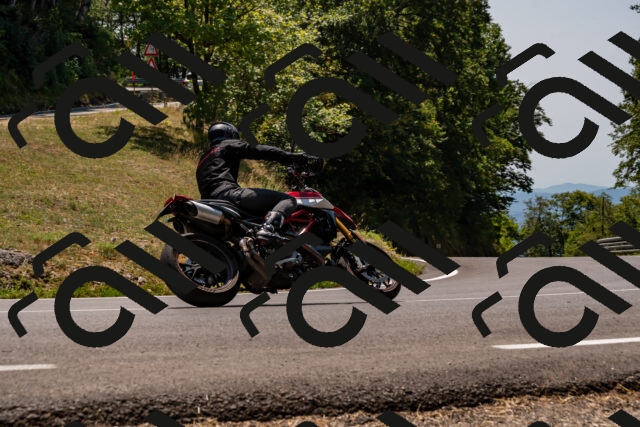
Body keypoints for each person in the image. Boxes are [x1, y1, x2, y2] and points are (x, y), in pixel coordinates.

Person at [196, 121, 312, 243]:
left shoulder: (203, 159)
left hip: (210, 203)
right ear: (230, 134)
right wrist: (288, 156)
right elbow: (255, 149)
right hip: (229, 196)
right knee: (288, 200)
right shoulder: (226, 145)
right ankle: (268, 229)